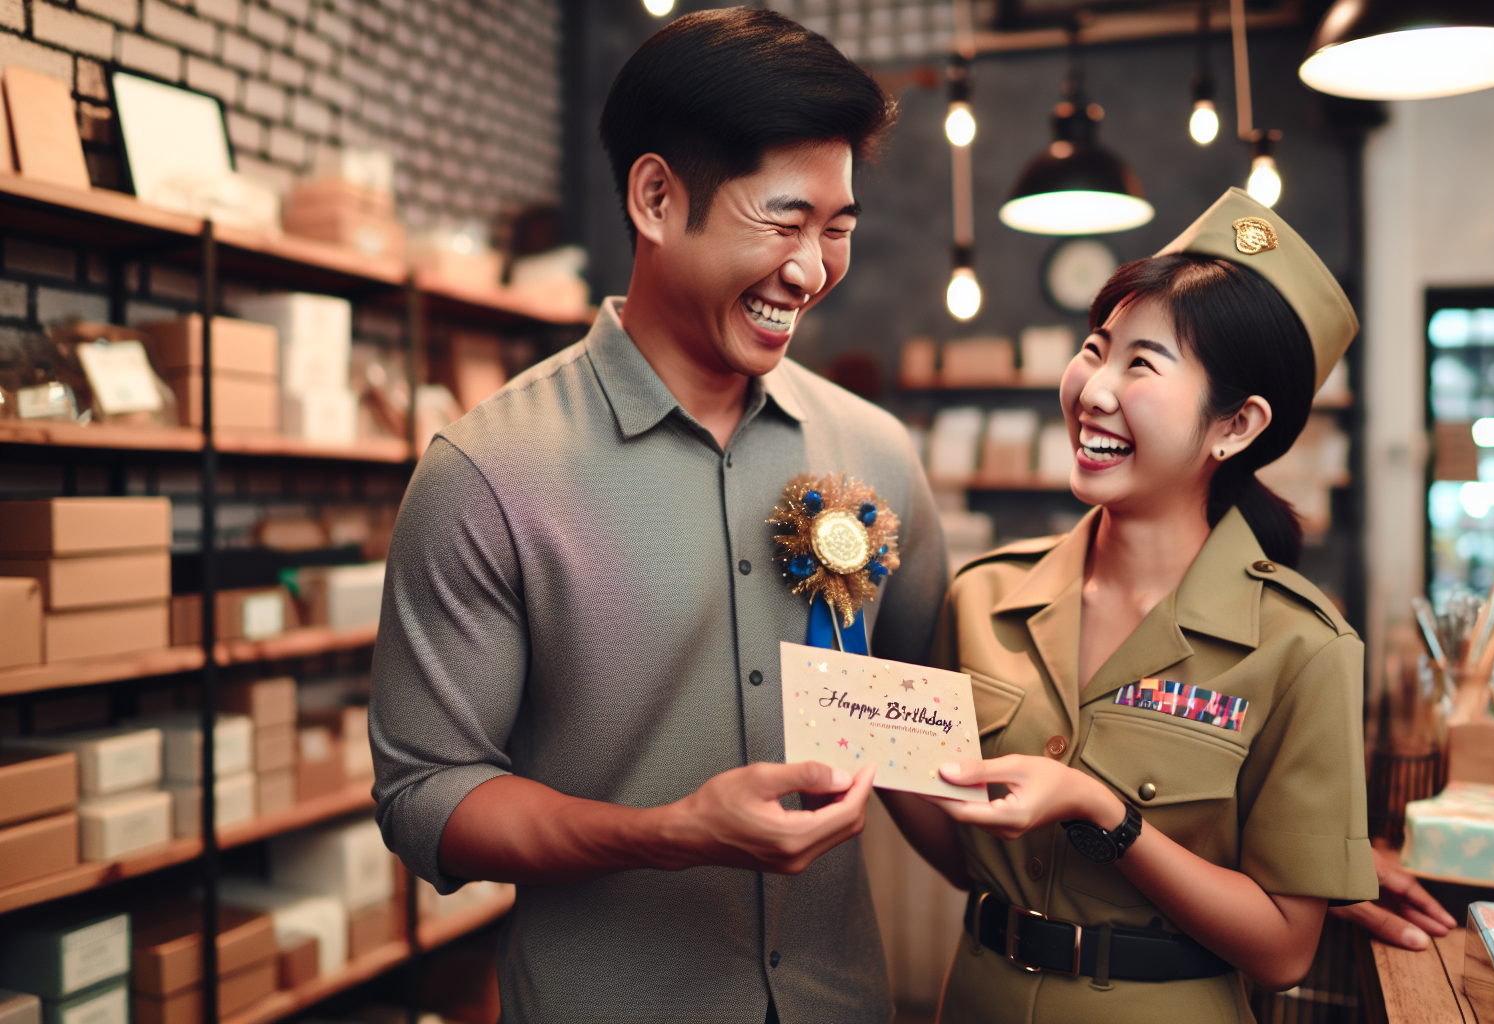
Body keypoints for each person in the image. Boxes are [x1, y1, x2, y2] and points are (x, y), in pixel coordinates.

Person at [367, 10, 945, 1022]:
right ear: (655, 197)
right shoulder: (488, 472)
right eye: (782, 220)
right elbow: (426, 797)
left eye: (838, 229)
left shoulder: (877, 454)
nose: (811, 272)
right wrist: (668, 830)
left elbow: (924, 731)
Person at [880, 188, 1379, 1023]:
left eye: (1141, 364)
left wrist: (1100, 810)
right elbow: (964, 857)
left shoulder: (1303, 648)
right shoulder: (985, 595)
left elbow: (1285, 949)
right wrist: (858, 722)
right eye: (1094, 348)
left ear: (1237, 425)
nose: (1093, 390)